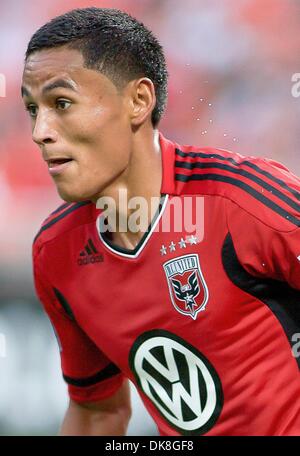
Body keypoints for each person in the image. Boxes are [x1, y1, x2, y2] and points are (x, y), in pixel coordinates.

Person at [22, 7, 300, 436]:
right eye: (32, 110)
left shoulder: (240, 200)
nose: (40, 131)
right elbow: (98, 413)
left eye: (61, 103)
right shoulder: (57, 253)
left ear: (138, 101)